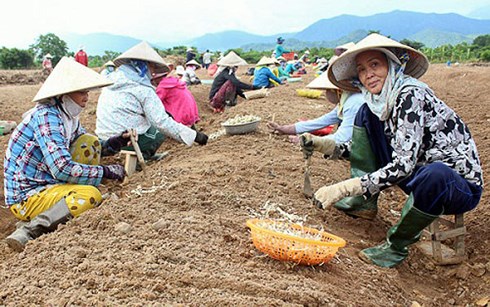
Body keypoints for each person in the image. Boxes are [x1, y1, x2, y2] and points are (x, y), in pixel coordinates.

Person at [300, 33, 483, 268]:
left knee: (436, 173)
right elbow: (371, 150)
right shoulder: (379, 104)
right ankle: (363, 202)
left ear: (393, 66)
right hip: (418, 173)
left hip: (455, 187)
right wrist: (324, 144)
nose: (369, 74)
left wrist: (342, 188)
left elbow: (403, 165)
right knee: (364, 114)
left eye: (375, 64)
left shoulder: (410, 95)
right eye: (362, 70)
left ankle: (396, 246)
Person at [3, 57, 129, 251]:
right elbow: (62, 168)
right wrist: (104, 173)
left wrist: (115, 143)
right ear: (65, 94)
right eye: (82, 92)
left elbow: (87, 146)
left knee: (90, 141)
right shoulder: (47, 117)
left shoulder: (68, 116)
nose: (87, 97)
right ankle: (30, 229)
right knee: (90, 195)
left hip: (47, 183)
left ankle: (55, 208)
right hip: (27, 196)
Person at [96, 41, 208, 161]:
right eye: (152, 67)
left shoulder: (110, 81)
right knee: (161, 128)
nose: (153, 71)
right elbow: (162, 122)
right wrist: (195, 136)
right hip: (126, 141)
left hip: (103, 141)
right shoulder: (143, 89)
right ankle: (142, 157)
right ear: (144, 66)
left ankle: (142, 153)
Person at [268, 55, 364, 144]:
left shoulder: (354, 102)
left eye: (326, 90)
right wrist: (284, 129)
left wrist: (308, 141)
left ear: (335, 90)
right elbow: (321, 121)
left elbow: (342, 139)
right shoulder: (345, 99)